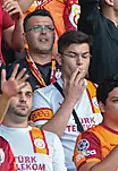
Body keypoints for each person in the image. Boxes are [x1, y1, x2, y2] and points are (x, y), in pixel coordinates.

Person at [31, 31, 103, 171]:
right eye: (72, 55)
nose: (80, 62)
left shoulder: (99, 91)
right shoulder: (42, 95)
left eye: (85, 56)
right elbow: (45, 139)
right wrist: (70, 100)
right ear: (59, 58)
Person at [0, 83, 67, 171]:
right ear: (3, 98)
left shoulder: (50, 139)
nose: (23, 99)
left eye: (28, 95)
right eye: (17, 94)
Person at [10, 10, 60, 90]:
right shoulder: (14, 72)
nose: (43, 32)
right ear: (24, 37)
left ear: (54, 36)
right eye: (37, 28)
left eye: (48, 28)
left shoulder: (65, 69)